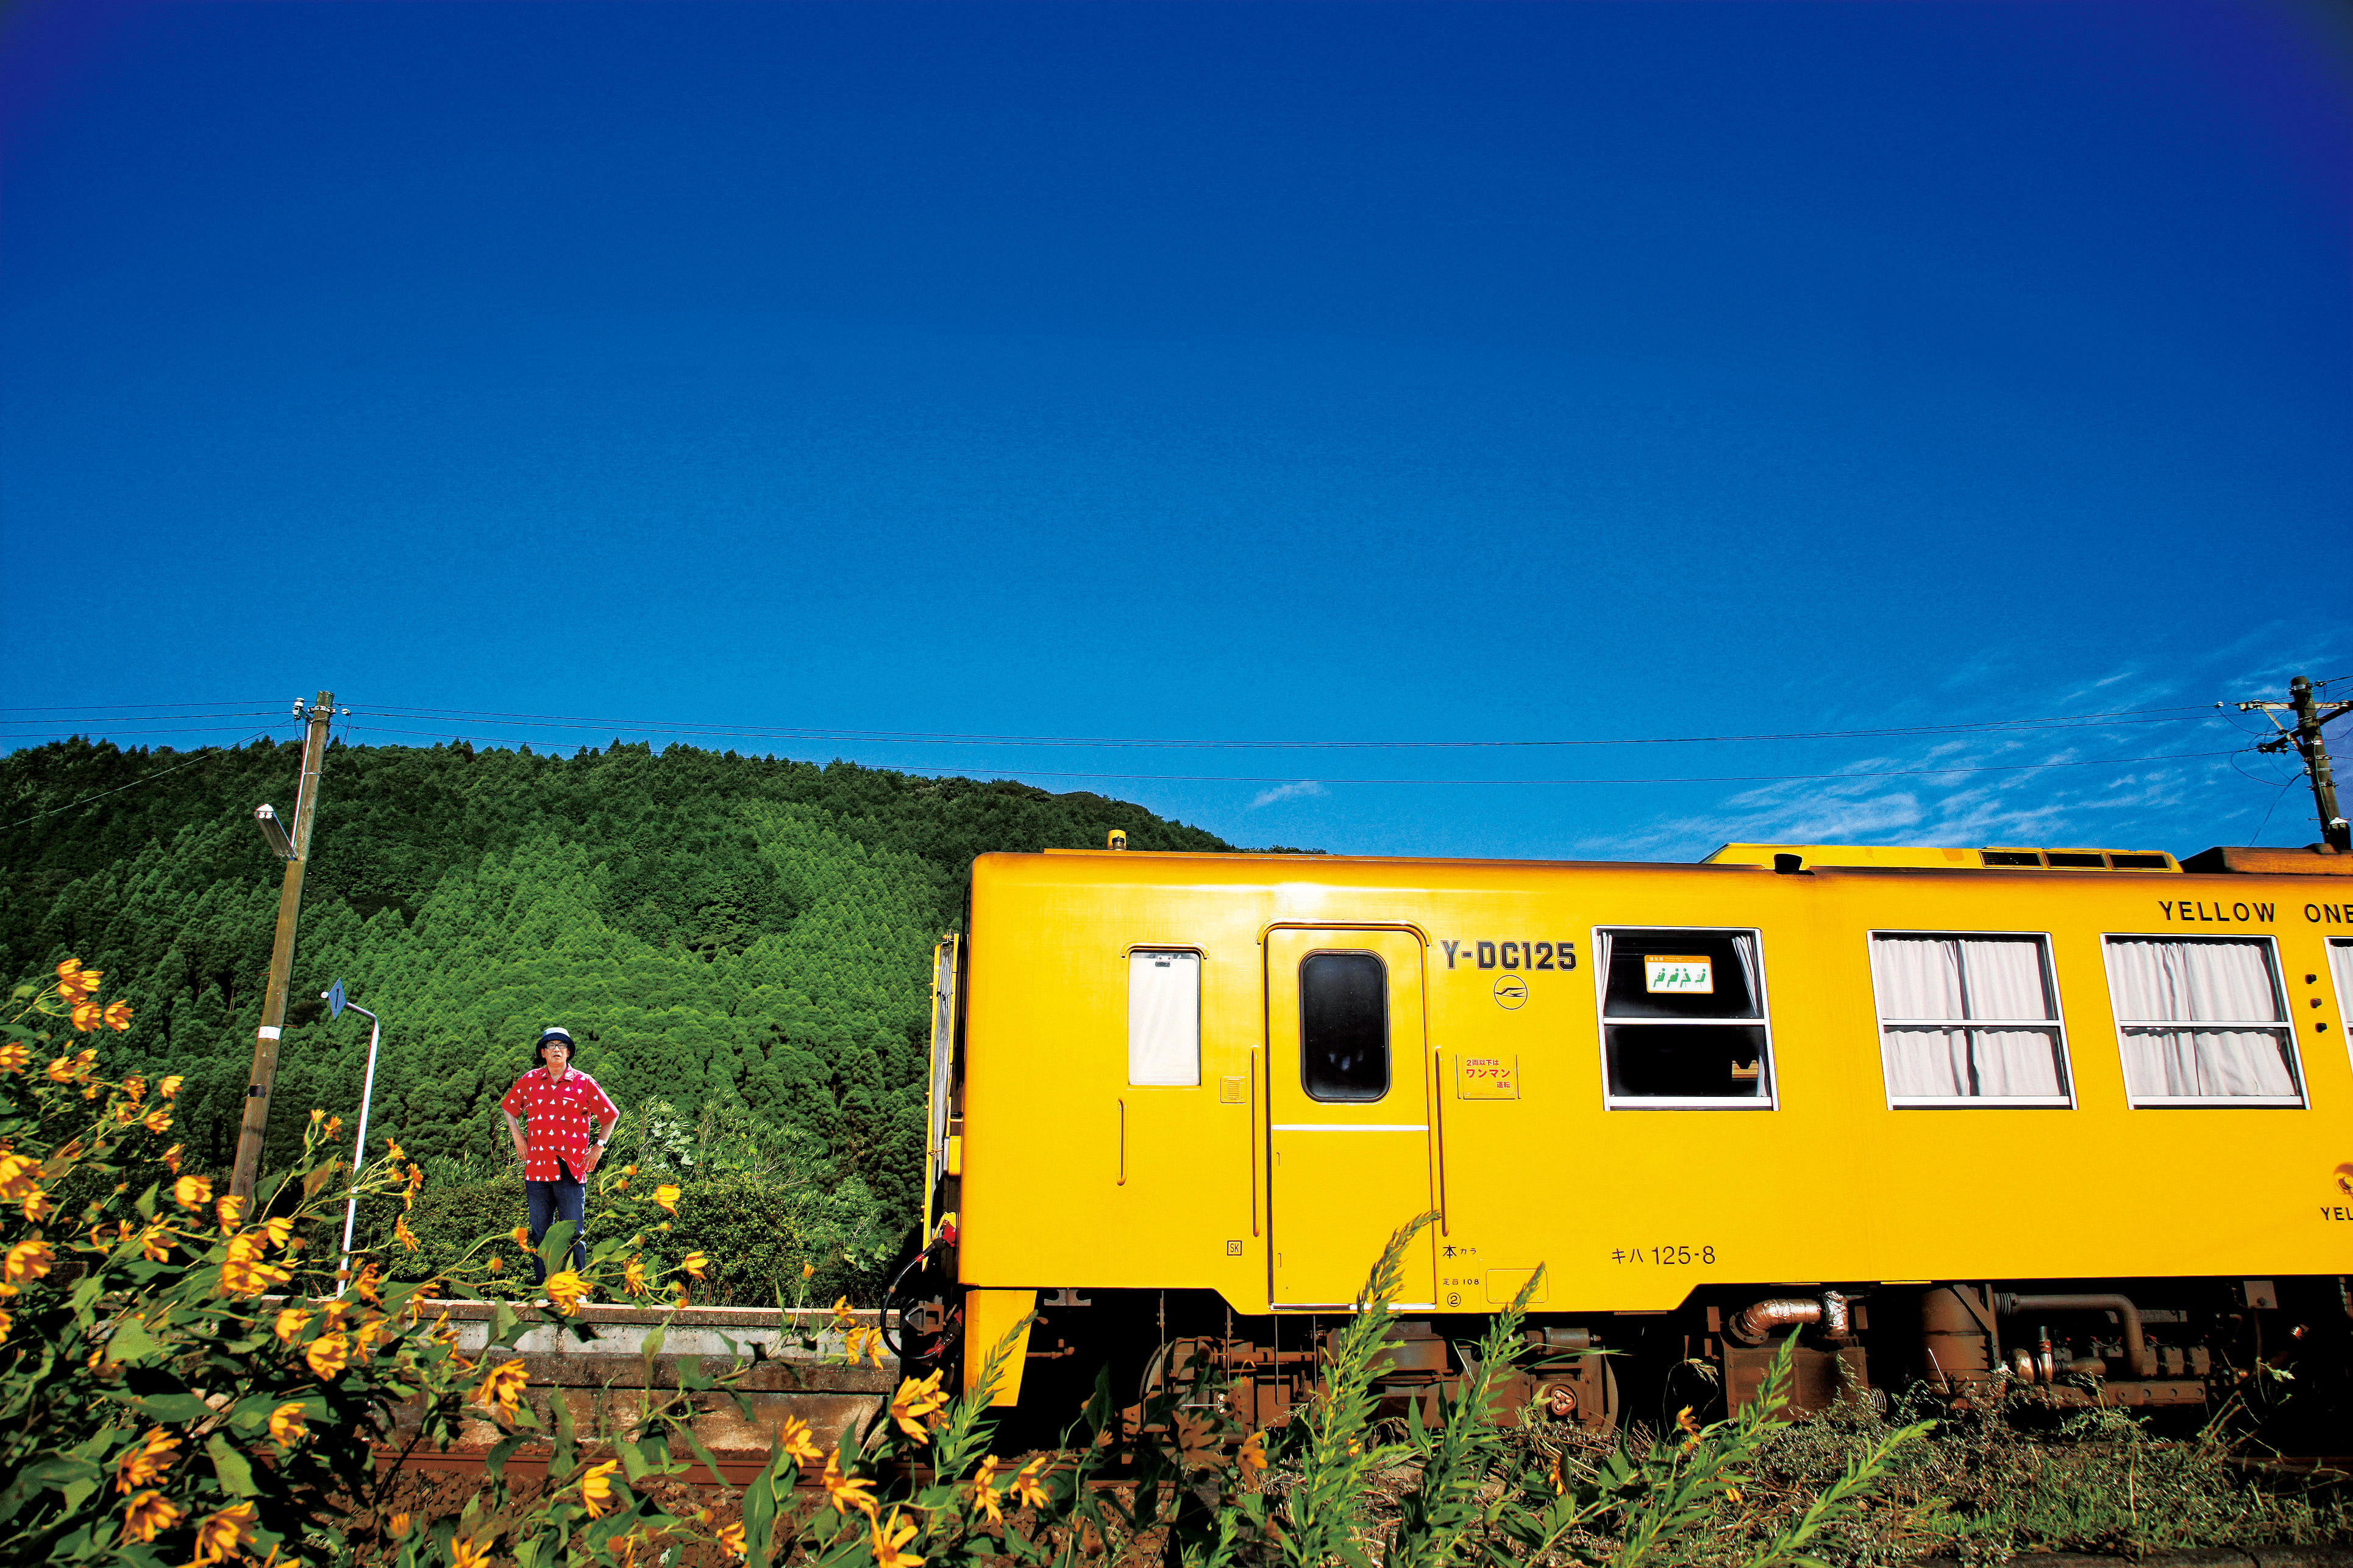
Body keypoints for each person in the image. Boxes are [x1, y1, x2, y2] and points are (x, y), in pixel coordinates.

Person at [499, 1026, 619, 1283]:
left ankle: (576, 1287)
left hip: (571, 1169)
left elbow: (610, 1115)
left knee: (574, 1233)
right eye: (551, 1045)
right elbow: (509, 1107)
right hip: (538, 1170)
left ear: (568, 1052)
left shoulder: (584, 1082)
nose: (556, 1049)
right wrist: (518, 1137)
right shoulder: (530, 1080)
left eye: (562, 1046)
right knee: (540, 1233)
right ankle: (547, 1287)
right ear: (543, 1052)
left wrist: (598, 1147)